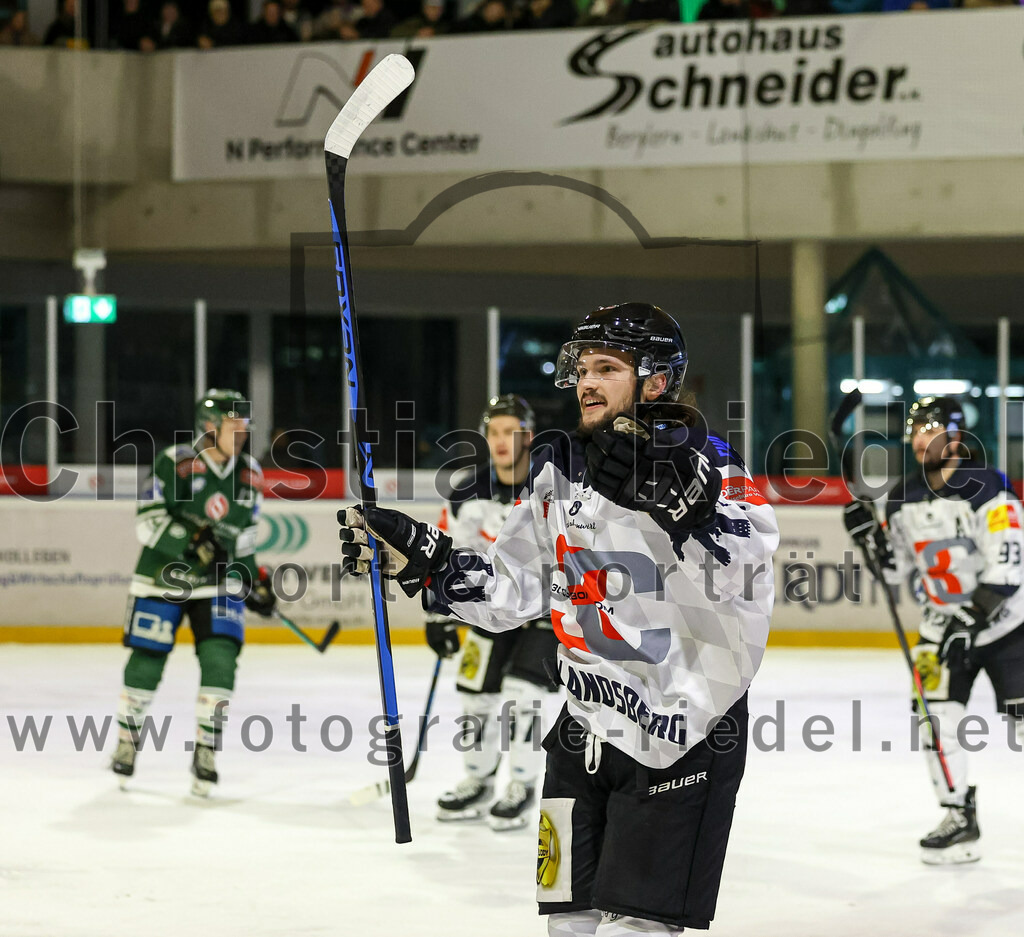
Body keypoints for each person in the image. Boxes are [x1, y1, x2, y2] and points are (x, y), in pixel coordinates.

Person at [339, 304, 778, 935]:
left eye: (608, 368)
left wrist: (689, 508)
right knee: (565, 923)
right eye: (581, 368)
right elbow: (513, 586)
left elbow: (745, 576)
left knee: (639, 928)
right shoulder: (560, 467)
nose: (586, 382)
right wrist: (424, 562)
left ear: (655, 380)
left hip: (682, 732)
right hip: (582, 731)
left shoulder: (709, 465)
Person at [845, 396, 1024, 865]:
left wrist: (974, 617)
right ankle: (958, 815)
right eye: (916, 427)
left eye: (932, 426)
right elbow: (896, 567)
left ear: (957, 436)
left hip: (1008, 628)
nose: (921, 436)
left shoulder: (988, 487)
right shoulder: (904, 496)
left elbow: (1007, 566)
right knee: (934, 719)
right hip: (940, 631)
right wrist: (870, 538)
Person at [112, 389, 277, 796]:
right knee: (147, 660)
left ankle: (206, 749)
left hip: (216, 586)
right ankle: (127, 741)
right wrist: (191, 542)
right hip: (161, 579)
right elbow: (146, 520)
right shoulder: (175, 463)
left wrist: (254, 578)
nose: (241, 432)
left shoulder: (250, 474)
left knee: (221, 662)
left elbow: (244, 538)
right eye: (233, 424)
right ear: (209, 426)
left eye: (244, 426)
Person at [427, 394, 560, 831]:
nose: (501, 441)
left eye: (511, 432)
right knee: (473, 692)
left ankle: (521, 784)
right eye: (494, 432)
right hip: (489, 610)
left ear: (529, 437)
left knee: (523, 696)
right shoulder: (467, 490)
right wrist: (439, 617)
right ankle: (478, 779)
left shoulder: (551, 486)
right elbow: (447, 556)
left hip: (543, 611)